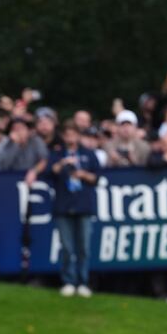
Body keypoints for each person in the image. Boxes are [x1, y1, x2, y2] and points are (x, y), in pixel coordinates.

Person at [46, 120, 100, 297]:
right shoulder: (57, 153)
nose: (70, 137)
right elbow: (49, 172)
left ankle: (83, 281)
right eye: (67, 134)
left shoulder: (88, 154)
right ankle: (68, 281)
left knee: (84, 247)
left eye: (73, 134)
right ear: (63, 136)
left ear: (78, 135)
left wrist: (82, 174)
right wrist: (63, 163)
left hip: (84, 206)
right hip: (63, 206)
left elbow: (97, 177)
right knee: (67, 247)